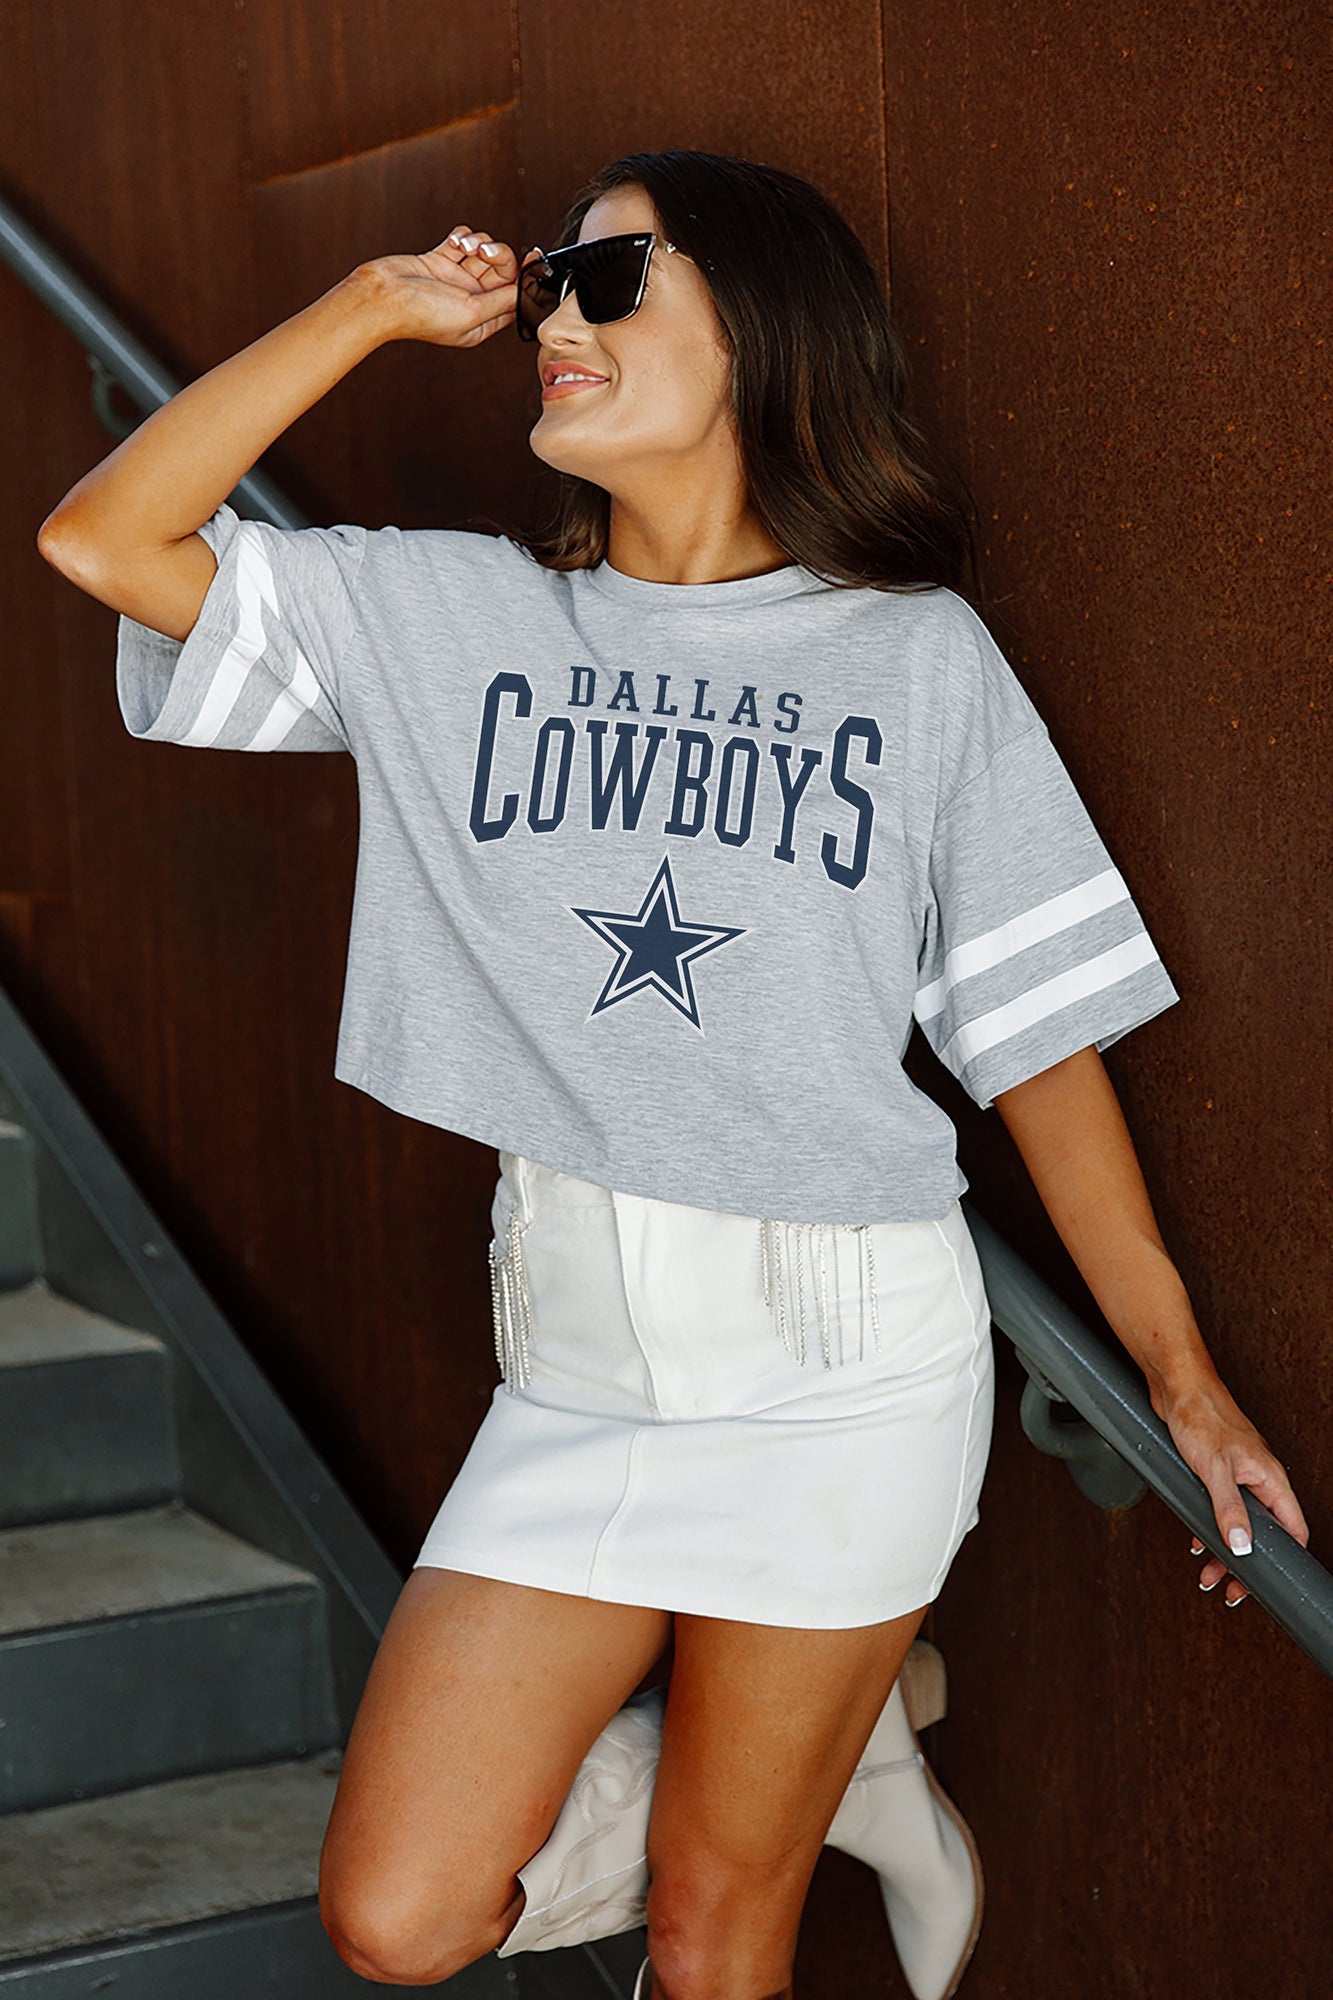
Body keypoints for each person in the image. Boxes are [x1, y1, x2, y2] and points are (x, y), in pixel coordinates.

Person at [38, 148, 1310, 2000]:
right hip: (572, 1371)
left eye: (612, 278)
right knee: (399, 1915)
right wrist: (374, 306)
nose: (557, 312)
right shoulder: (450, 623)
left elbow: (1036, 1043)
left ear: (764, 332)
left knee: (721, 1948)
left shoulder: (913, 660)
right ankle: (831, 1752)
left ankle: (808, 1757)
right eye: (551, 280)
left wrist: (1179, 1378)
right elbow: (105, 541)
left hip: (841, 1373)